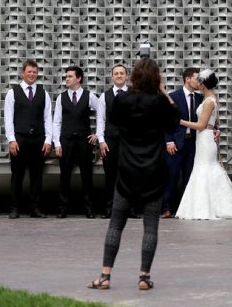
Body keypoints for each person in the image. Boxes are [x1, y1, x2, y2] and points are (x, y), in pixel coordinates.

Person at [87, 57, 180, 291]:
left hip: (127, 171)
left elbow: (114, 121)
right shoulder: (160, 103)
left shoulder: (123, 100)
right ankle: (143, 276)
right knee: (150, 226)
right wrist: (163, 92)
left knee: (116, 224)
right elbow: (174, 121)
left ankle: (105, 275)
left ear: (133, 76)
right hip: (154, 172)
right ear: (156, 78)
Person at [175, 69, 232, 220]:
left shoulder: (208, 101)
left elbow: (201, 125)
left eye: (199, 81)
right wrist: (215, 129)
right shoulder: (211, 99)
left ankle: (206, 207)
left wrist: (179, 121)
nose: (197, 83)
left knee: (204, 169)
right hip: (204, 138)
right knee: (204, 169)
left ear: (203, 84)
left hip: (205, 139)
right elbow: (216, 122)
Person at [4, 59, 52, 218]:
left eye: (34, 72)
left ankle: (35, 208)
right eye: (29, 71)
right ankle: (15, 208)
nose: (32, 74)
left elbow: (48, 119)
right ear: (23, 73)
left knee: (37, 175)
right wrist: (11, 139)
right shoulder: (13, 92)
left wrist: (48, 140)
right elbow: (8, 118)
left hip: (38, 139)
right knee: (17, 175)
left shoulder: (43, 93)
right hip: (19, 139)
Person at [53, 66, 99, 218]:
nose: (67, 78)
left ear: (78, 78)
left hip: (84, 141)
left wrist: (98, 133)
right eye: (66, 76)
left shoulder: (89, 96)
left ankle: (89, 209)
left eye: (70, 76)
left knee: (87, 175)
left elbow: (102, 112)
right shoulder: (61, 97)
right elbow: (56, 122)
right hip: (66, 141)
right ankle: (62, 208)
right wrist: (57, 143)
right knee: (64, 175)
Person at [161, 67, 203, 217]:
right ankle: (166, 208)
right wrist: (169, 140)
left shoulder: (200, 98)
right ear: (187, 79)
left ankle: (184, 208)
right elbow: (165, 120)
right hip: (176, 143)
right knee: (171, 176)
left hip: (194, 144)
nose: (199, 81)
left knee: (189, 177)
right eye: (197, 78)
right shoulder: (174, 96)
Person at [97, 64, 129, 219]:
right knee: (110, 177)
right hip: (110, 141)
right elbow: (101, 120)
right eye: (116, 73)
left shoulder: (133, 94)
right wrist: (101, 141)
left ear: (126, 76)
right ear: (112, 76)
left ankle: (130, 209)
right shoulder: (105, 96)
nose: (119, 75)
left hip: (129, 142)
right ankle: (109, 209)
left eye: (121, 73)